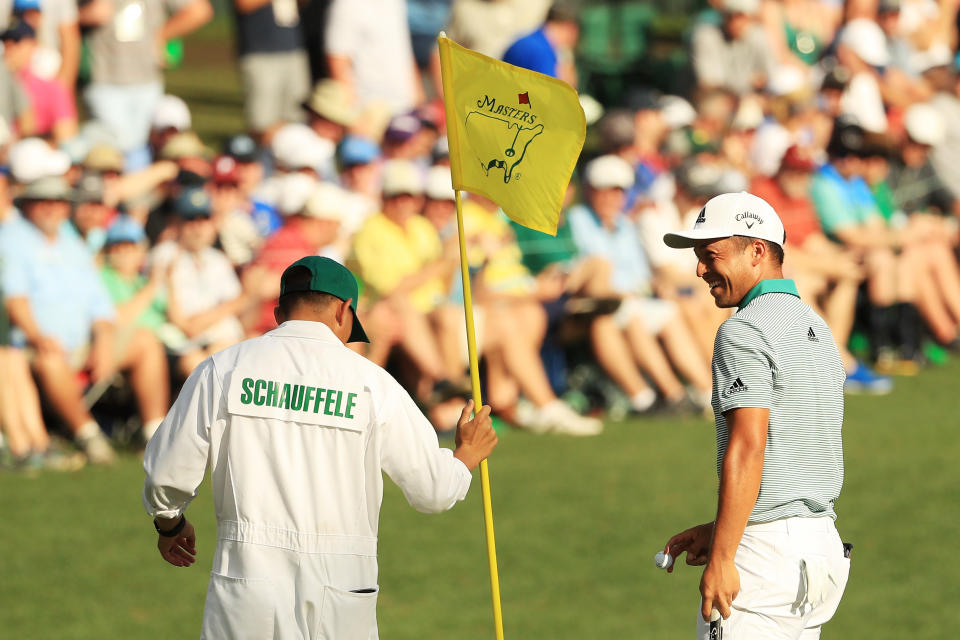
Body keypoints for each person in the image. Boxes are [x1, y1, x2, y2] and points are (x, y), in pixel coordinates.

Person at [142, 255, 498, 639]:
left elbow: (167, 474)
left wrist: (170, 523)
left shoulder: (223, 368)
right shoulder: (372, 382)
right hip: (344, 580)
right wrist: (465, 455)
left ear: (279, 312)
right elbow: (433, 491)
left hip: (247, 573)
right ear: (345, 311)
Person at [661, 192, 850, 638]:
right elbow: (794, 452)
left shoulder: (743, 330)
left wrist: (725, 555)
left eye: (711, 255)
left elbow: (750, 447)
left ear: (757, 252)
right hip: (820, 550)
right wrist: (721, 529)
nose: (700, 269)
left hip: (765, 561)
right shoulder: (815, 325)